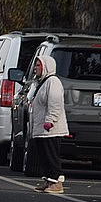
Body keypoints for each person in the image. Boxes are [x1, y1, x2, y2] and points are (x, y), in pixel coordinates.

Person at [28, 55, 68, 194]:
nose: (35, 68)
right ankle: (49, 180)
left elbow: (55, 103)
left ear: (46, 67)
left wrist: (50, 120)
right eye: (36, 65)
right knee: (43, 155)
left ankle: (57, 182)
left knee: (51, 155)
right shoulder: (41, 82)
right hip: (41, 129)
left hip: (51, 129)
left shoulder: (53, 82)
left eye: (38, 65)